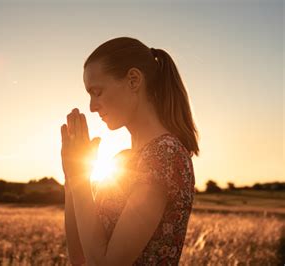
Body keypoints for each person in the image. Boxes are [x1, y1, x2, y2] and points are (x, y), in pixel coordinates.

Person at [61, 37, 199, 266]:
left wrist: (79, 177)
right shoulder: (124, 160)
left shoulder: (165, 155)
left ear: (133, 80)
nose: (92, 107)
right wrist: (72, 177)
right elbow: (80, 259)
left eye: (97, 92)